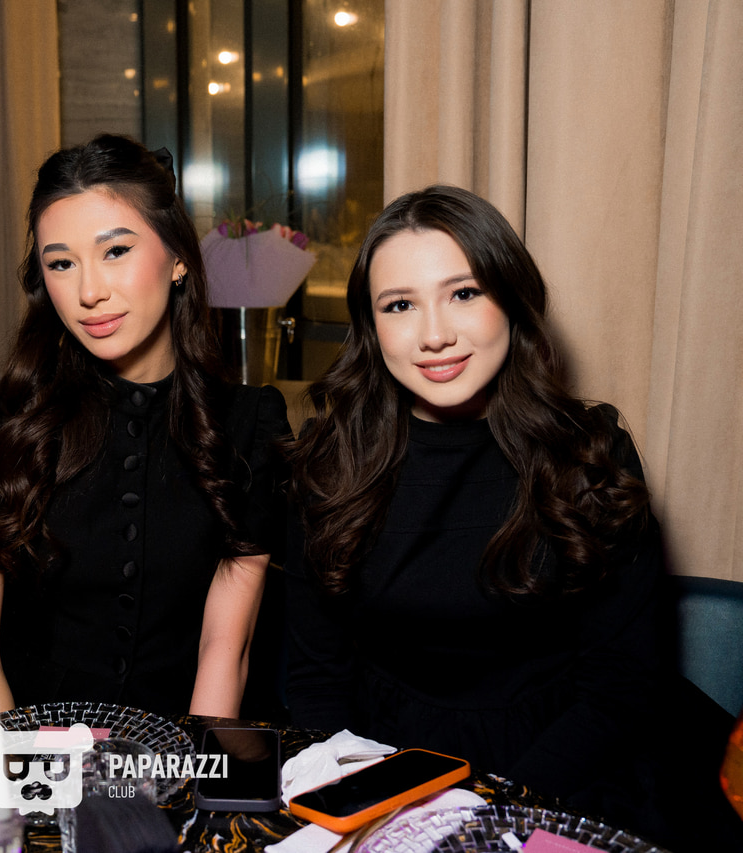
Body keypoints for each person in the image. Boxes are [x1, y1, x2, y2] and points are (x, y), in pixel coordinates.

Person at [284, 184, 737, 846]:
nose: (435, 335)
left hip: (574, 763)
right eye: (400, 305)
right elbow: (315, 678)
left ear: (512, 299)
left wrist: (489, 812)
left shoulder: (590, 454)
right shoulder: (329, 462)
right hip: (383, 766)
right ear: (371, 327)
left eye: (464, 293)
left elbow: (620, 687)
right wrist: (364, 792)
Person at [0, 134, 290, 721]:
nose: (89, 292)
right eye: (61, 263)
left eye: (116, 251)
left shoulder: (247, 425)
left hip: (182, 744)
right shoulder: (5, 422)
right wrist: (10, 765)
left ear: (178, 258)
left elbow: (225, 650)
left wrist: (189, 766)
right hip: (32, 746)